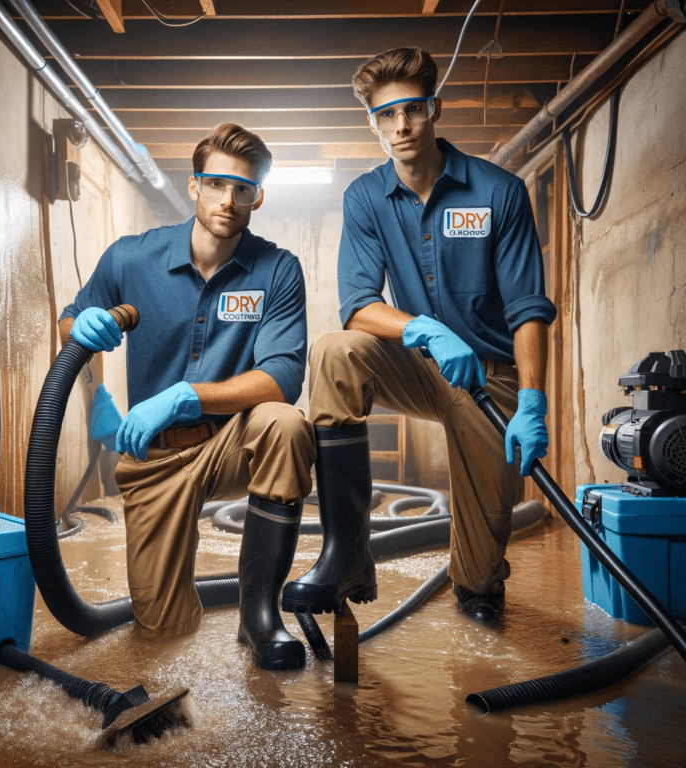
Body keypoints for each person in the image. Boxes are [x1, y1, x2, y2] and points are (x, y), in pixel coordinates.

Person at [281, 47, 557, 622]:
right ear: (373, 124)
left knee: (480, 577)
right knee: (334, 351)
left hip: (488, 378)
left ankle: (478, 583)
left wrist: (532, 399)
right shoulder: (365, 198)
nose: (401, 126)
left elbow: (528, 306)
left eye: (412, 109)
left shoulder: (498, 192)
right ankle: (347, 556)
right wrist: (426, 330)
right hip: (418, 363)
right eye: (386, 115)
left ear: (435, 108)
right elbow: (359, 307)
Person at [59, 124, 316, 670]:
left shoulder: (277, 269)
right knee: (159, 637)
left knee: (286, 423)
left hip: (232, 439)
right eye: (218, 184)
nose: (229, 199)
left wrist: (187, 397)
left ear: (258, 196)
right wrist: (82, 338)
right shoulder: (130, 259)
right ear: (194, 184)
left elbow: (284, 375)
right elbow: (73, 320)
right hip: (154, 457)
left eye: (243, 189)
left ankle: (259, 617)